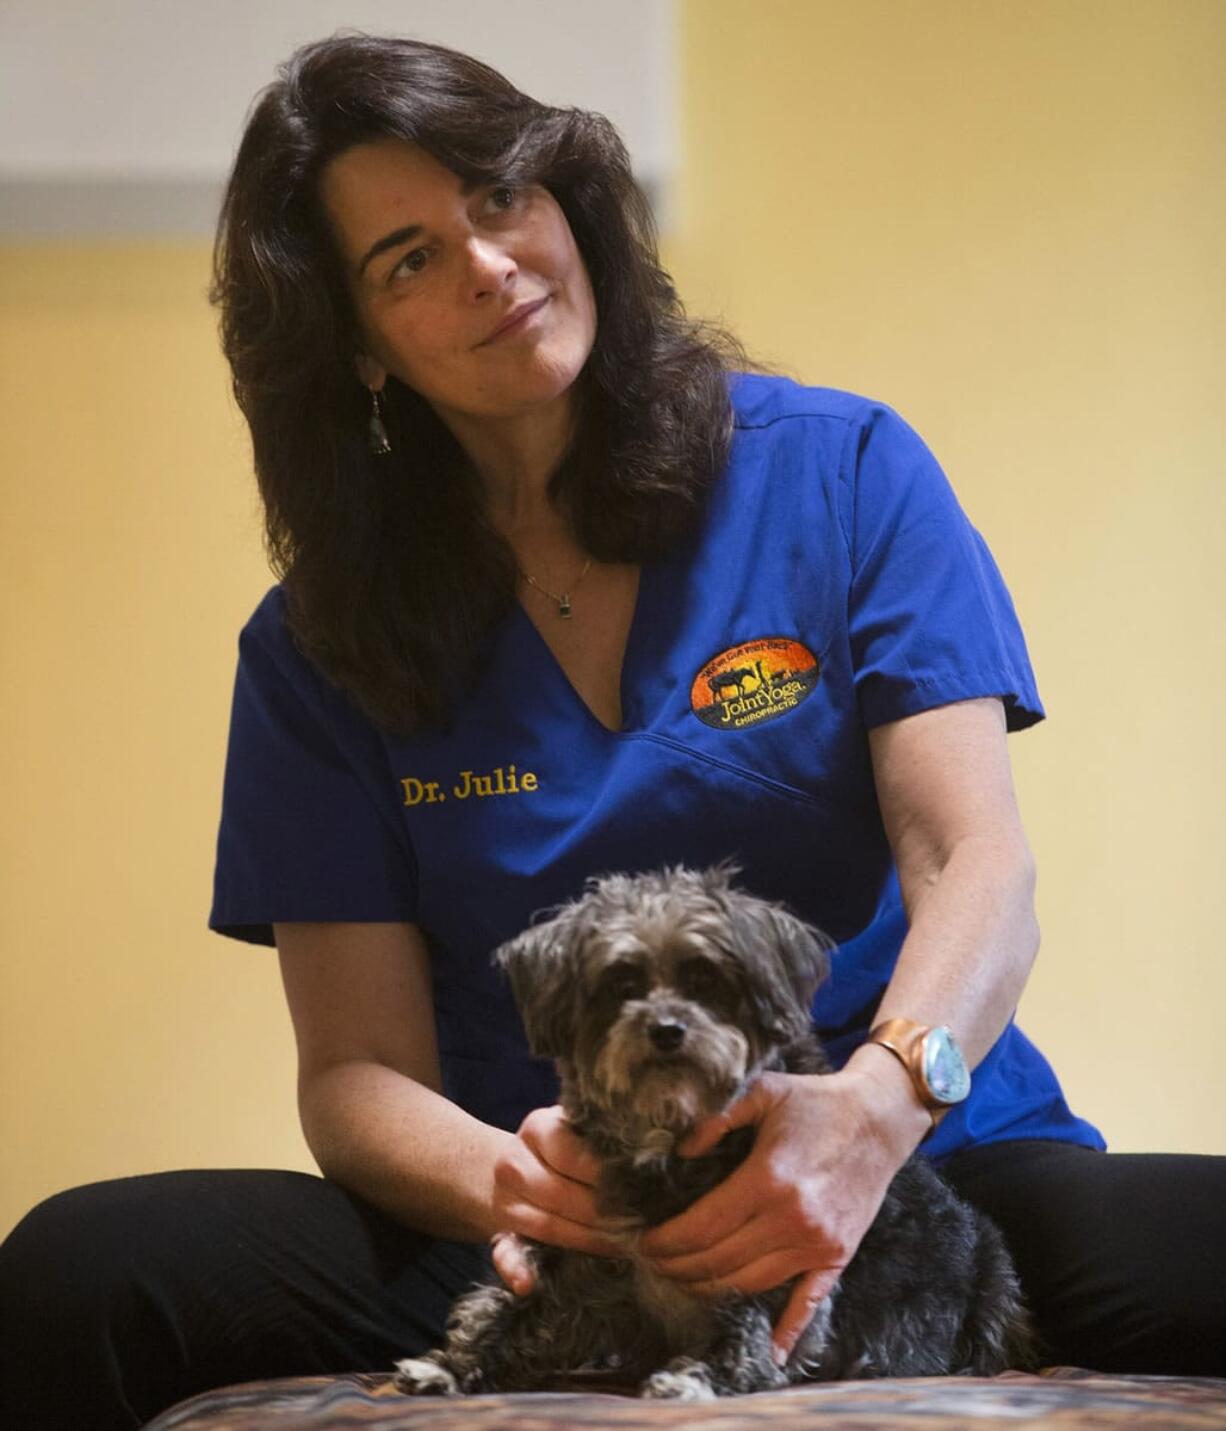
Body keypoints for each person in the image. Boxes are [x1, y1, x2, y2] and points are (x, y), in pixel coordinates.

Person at [1, 32, 1223, 1431]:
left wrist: (876, 1109)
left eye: (500, 196)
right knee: (77, 1271)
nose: (488, 264)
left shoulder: (841, 475)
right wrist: (529, 1192)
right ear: (355, 349)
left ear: (566, 199)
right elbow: (355, 1075)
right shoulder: (317, 645)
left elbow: (976, 867)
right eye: (406, 259)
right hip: (554, 1212)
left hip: (922, 1168)